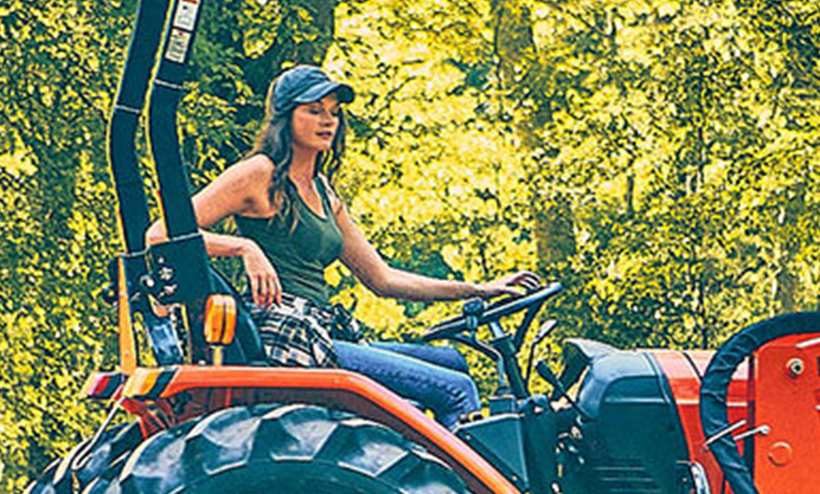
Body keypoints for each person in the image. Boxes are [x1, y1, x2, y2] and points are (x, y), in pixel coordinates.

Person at [146, 65, 538, 425]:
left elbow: (383, 279)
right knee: (456, 390)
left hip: (322, 329)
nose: (328, 120)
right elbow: (160, 235)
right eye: (314, 110)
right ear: (286, 118)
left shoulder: (324, 192)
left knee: (452, 362)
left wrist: (479, 290)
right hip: (287, 337)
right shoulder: (259, 174)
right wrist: (243, 248)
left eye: (333, 111)